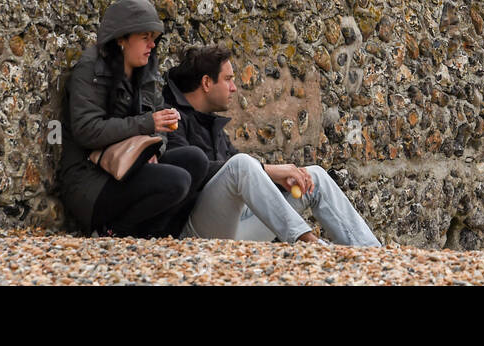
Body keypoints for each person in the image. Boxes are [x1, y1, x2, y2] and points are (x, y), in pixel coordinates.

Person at [163, 44, 380, 246]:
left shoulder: (212, 125)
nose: (234, 88)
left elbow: (244, 177)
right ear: (207, 83)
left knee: (313, 176)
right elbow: (192, 170)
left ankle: (373, 254)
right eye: (228, 79)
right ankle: (310, 243)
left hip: (235, 231)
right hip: (194, 235)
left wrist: (278, 179)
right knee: (241, 164)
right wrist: (270, 170)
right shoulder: (170, 118)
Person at [57, 0, 209, 237]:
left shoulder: (144, 71)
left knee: (195, 160)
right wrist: (146, 124)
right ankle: (115, 232)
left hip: (130, 166)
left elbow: (160, 127)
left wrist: (154, 150)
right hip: (90, 180)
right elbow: (87, 130)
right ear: (121, 38)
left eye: (154, 39)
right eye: (144, 38)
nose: (152, 45)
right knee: (176, 180)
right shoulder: (91, 69)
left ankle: (151, 236)